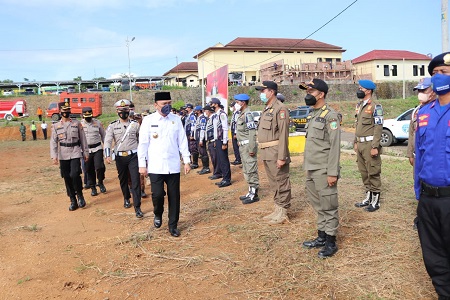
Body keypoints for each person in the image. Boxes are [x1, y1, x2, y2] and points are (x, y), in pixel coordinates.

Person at [414, 52, 450, 299]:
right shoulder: (425, 113)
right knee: (433, 256)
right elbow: (419, 155)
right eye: (435, 73)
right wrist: (419, 192)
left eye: (444, 72)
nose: (438, 78)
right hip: (428, 198)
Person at [138, 92, 191, 237]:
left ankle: (173, 225)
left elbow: (182, 141)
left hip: (173, 165)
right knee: (158, 195)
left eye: (169, 103)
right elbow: (142, 143)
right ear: (156, 105)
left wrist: (186, 160)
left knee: (174, 196)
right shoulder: (148, 121)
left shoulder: (176, 120)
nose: (167, 106)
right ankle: (158, 213)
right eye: (164, 104)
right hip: (156, 165)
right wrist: (142, 164)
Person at [299, 79, 341, 258]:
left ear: (321, 94)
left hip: (324, 170)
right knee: (318, 205)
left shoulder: (330, 116)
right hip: (311, 168)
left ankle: (331, 242)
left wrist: (332, 172)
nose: (307, 94)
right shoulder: (313, 114)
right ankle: (322, 236)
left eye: (311, 91)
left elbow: (335, 146)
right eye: (307, 91)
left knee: (329, 205)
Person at [256, 81, 291, 224]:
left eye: (263, 91)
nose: (261, 94)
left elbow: (283, 134)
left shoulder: (280, 109)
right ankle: (277, 209)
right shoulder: (267, 108)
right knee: (273, 182)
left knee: (281, 181)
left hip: (276, 152)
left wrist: (282, 157)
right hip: (266, 152)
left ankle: (283, 212)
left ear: (271, 92)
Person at [104, 99, 143, 219]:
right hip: (120, 157)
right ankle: (126, 198)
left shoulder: (135, 125)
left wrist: (144, 156)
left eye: (125, 110)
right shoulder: (112, 126)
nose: (123, 112)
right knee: (123, 179)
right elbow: (107, 141)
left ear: (129, 111)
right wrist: (107, 154)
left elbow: (141, 141)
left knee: (135, 181)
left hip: (133, 156)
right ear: (117, 111)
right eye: (121, 111)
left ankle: (137, 207)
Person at [50, 100, 89, 211]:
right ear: (60, 111)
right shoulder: (56, 126)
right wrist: (54, 156)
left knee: (75, 174)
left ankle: (80, 195)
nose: (66, 112)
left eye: (68, 110)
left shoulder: (76, 123)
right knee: (66, 177)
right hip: (63, 153)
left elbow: (83, 139)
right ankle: (73, 200)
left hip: (75, 151)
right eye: (64, 110)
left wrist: (85, 152)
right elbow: (53, 141)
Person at [353, 79, 383, 212]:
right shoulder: (360, 106)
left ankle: (376, 201)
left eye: (361, 88)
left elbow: (378, 127)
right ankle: (368, 197)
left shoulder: (376, 106)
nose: (359, 90)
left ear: (369, 90)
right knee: (364, 172)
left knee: (373, 172)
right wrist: (355, 141)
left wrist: (375, 146)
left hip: (370, 144)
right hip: (360, 143)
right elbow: (357, 125)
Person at [234, 94, 259, 204]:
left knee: (251, 169)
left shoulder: (248, 114)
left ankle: (254, 194)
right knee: (246, 169)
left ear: (243, 103)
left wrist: (252, 148)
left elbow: (252, 132)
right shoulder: (241, 114)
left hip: (248, 146)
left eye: (237, 102)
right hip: (243, 146)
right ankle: (250, 191)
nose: (236, 104)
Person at [407, 77, 435, 167]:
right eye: (419, 91)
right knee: (417, 180)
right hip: (417, 156)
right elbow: (411, 134)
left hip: (433, 156)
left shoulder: (438, 109)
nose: (420, 94)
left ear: (433, 92)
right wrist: (410, 154)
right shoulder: (416, 111)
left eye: (424, 90)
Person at [80, 107, 107, 196]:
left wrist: (107, 148)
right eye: (86, 116)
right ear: (83, 115)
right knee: (89, 169)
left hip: (97, 148)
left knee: (100, 167)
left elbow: (103, 136)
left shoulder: (97, 122)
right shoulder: (80, 124)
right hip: (86, 150)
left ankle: (100, 182)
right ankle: (93, 187)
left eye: (90, 116)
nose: (88, 118)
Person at [210, 98, 231, 188]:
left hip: (222, 140)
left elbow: (225, 128)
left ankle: (227, 179)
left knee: (224, 160)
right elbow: (216, 130)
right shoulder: (216, 115)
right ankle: (224, 178)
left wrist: (224, 142)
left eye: (212, 104)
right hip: (218, 140)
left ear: (216, 104)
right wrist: (215, 140)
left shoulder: (222, 114)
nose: (211, 105)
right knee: (220, 159)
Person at [204, 104, 221, 180]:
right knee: (213, 157)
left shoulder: (214, 117)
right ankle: (216, 172)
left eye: (205, 111)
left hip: (213, 140)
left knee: (215, 157)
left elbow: (215, 129)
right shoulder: (209, 118)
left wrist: (215, 139)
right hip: (210, 141)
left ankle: (218, 173)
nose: (205, 112)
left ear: (208, 111)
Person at [194, 105, 211, 175]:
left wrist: (201, 139)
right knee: (201, 153)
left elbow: (202, 129)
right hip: (198, 137)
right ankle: (204, 167)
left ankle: (206, 168)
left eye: (196, 110)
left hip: (201, 138)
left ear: (199, 111)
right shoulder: (199, 118)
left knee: (203, 152)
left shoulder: (202, 118)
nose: (195, 111)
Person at [184, 104, 199, 169]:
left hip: (191, 134)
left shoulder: (192, 115)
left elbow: (193, 125)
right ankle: (190, 161)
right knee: (190, 148)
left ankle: (195, 163)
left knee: (193, 148)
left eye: (187, 108)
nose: (186, 109)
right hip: (188, 134)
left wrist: (192, 134)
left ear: (190, 108)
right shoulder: (189, 115)